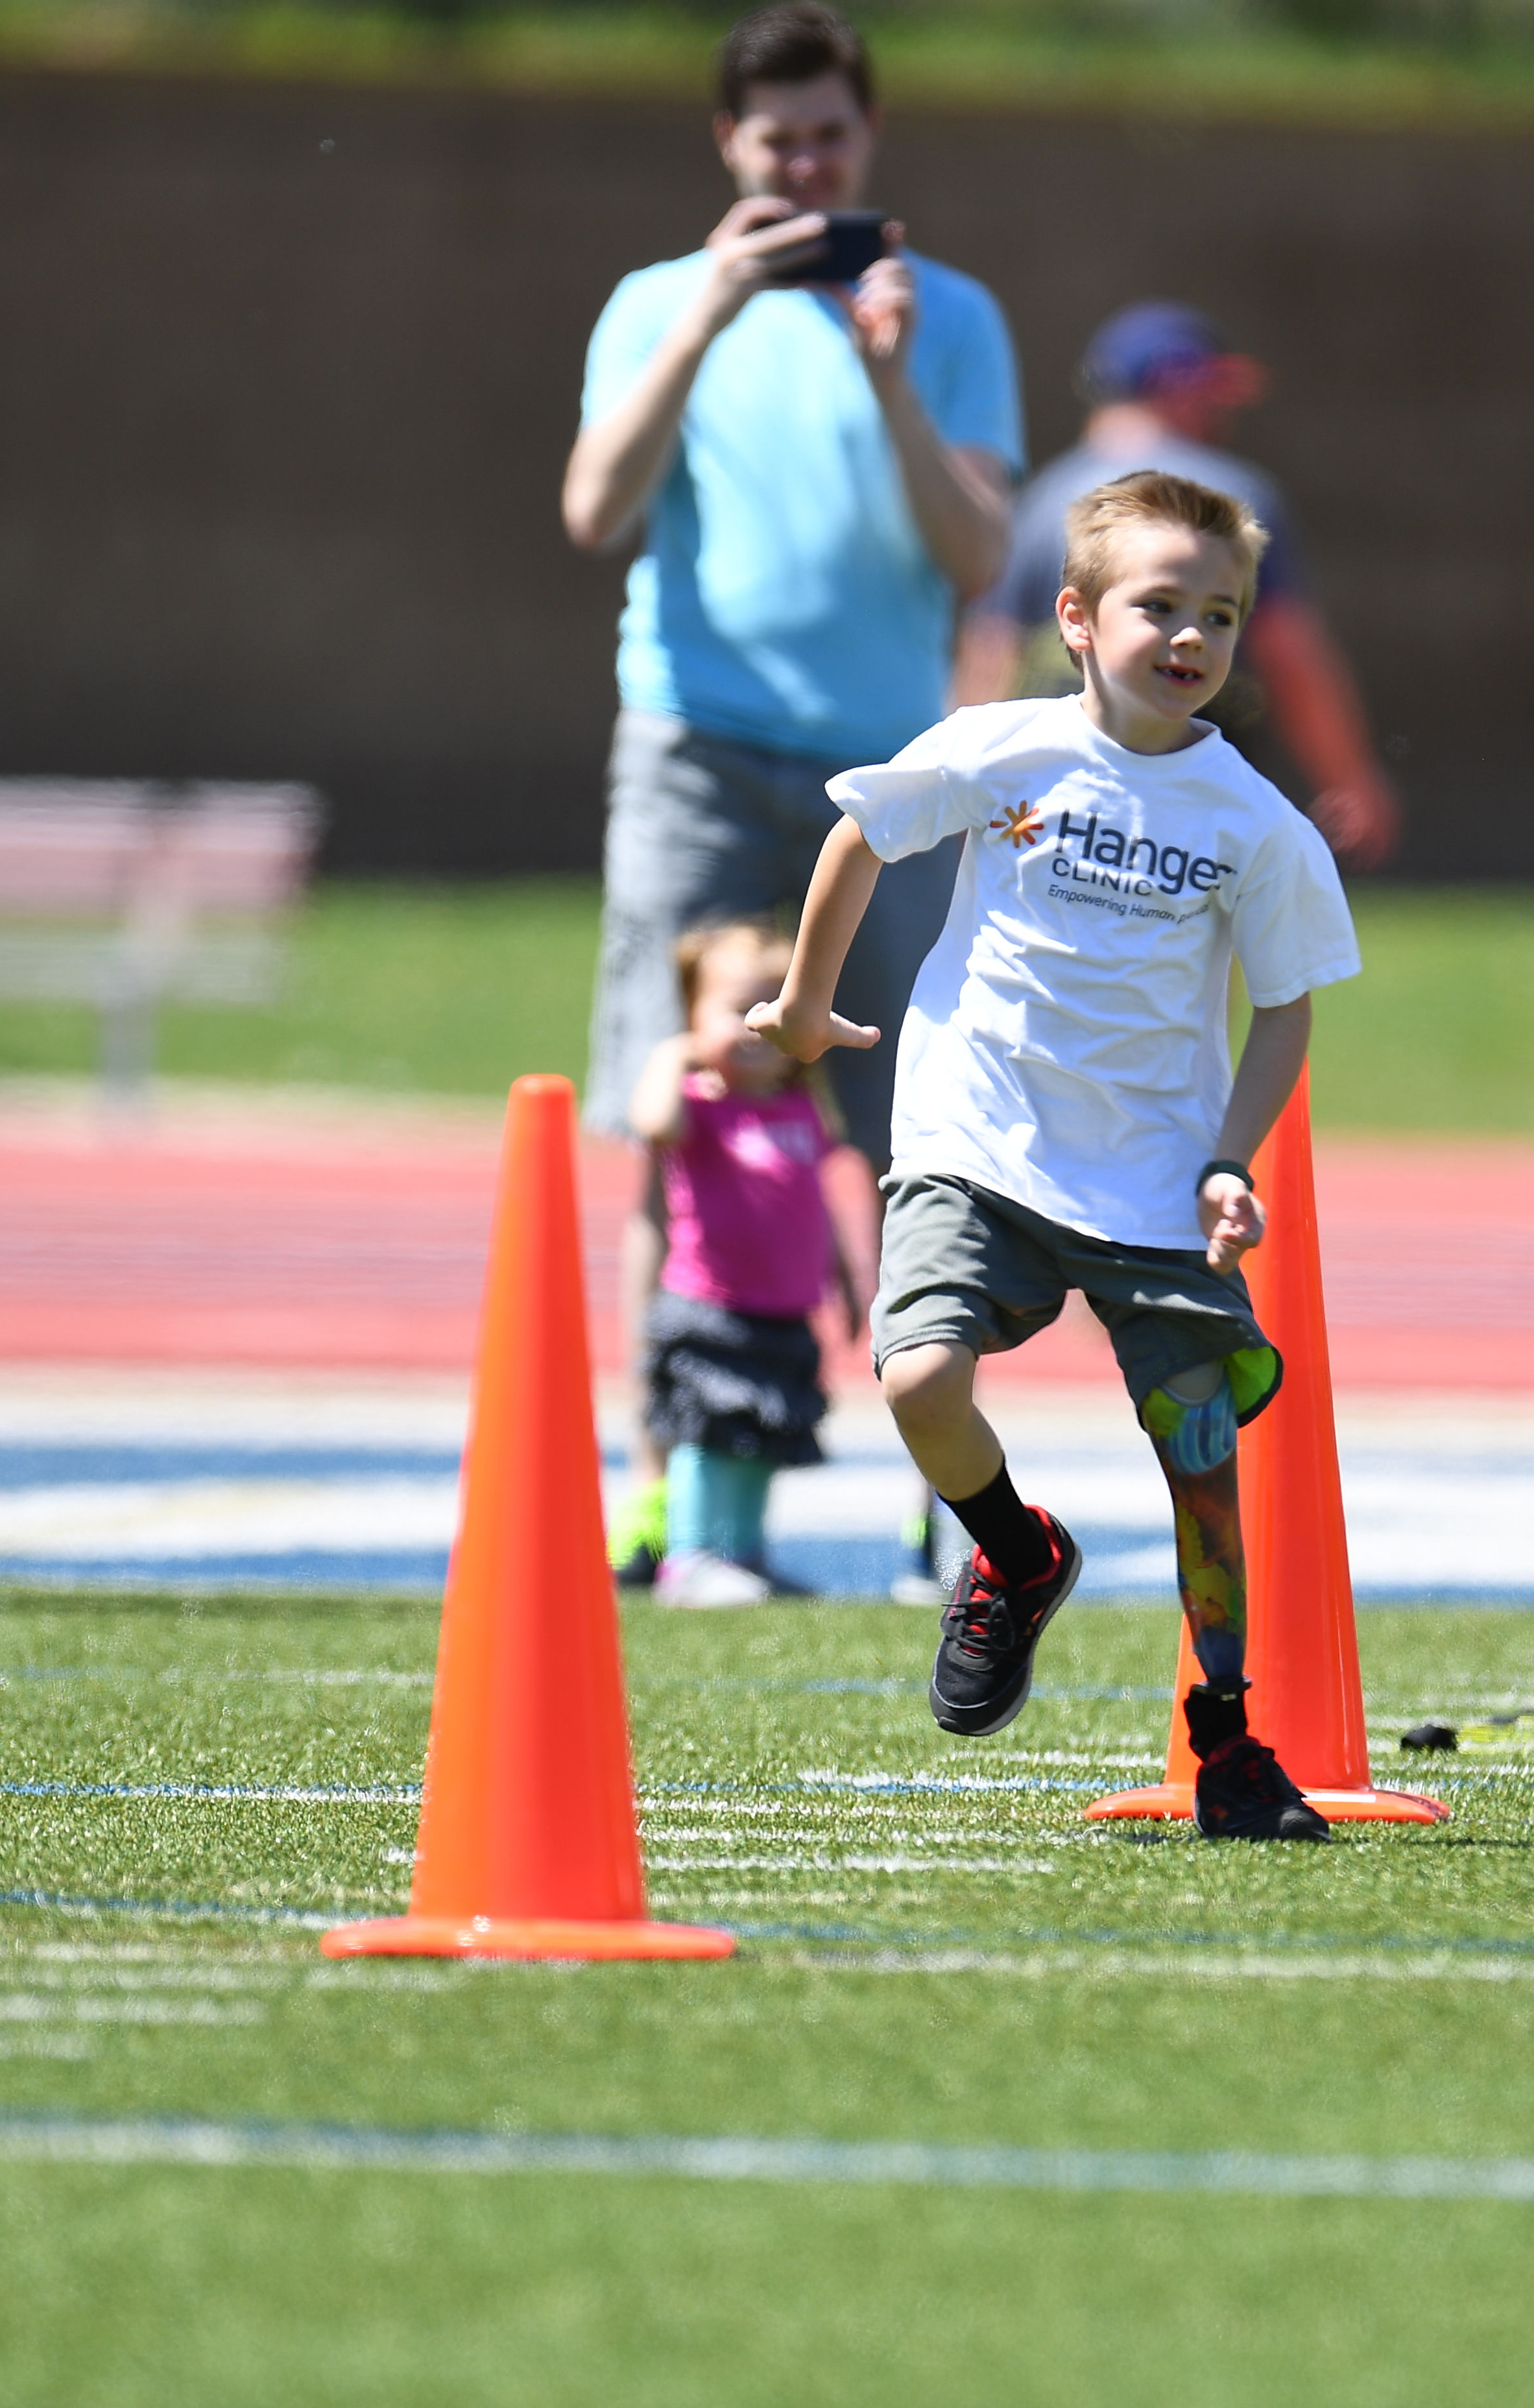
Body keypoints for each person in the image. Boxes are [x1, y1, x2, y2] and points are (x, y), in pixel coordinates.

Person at [750, 472, 1359, 1840]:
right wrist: (803, 1001)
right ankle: (1018, 1554)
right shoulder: (1005, 746)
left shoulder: (1256, 821)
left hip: (1150, 1177)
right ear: (1077, 616)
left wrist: (1227, 1157)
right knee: (916, 1376)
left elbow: (1287, 1005)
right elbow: (863, 831)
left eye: (1223, 611)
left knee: (1201, 1452)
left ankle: (1229, 1738)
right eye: (1162, 605)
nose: (1194, 635)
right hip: (974, 1131)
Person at [562, 1, 1022, 1587]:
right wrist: (706, 312)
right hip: (690, 741)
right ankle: (658, 1475)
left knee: (915, 1133)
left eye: (827, 138)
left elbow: (978, 561)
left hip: (886, 774)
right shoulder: (651, 305)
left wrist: (886, 374)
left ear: (866, 142)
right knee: (668, 1108)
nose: (804, 164)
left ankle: (938, 1481)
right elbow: (590, 509)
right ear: (729, 151)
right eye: (776, 143)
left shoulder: (948, 315)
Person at [957, 301, 1400, 866]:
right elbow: (1288, 652)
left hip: (1060, 798)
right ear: (1182, 388)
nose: (1225, 416)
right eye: (1215, 394)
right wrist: (1350, 779)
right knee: (1193, 944)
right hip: (1192, 790)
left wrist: (963, 779)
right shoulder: (1234, 496)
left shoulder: (1044, 501)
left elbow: (989, 654)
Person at [626, 919, 859, 1607]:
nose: (757, 1030)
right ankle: (691, 1554)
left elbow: (818, 1203)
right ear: (695, 1017)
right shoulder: (699, 1104)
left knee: (762, 1441)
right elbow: (652, 1124)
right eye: (737, 1011)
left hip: (784, 1311)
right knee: (707, 1436)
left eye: (774, 1009)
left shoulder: (801, 1108)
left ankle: (744, 1553)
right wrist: (674, 1056)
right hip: (710, 1306)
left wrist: (844, 1279)